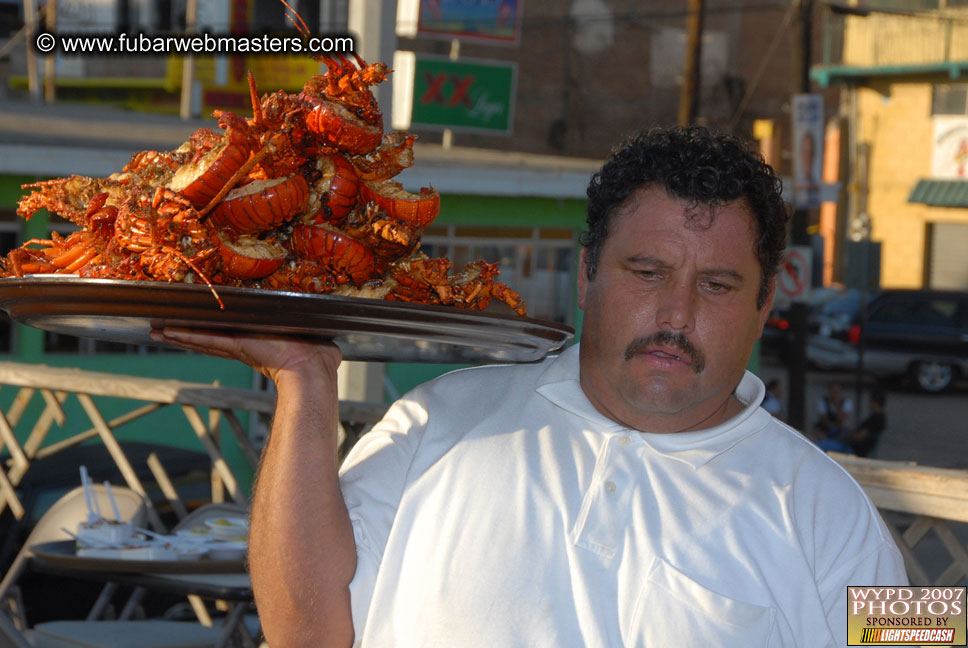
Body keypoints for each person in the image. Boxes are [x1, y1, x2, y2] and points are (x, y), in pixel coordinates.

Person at [152, 126, 907, 647]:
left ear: (765, 304)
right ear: (586, 276)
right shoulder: (435, 421)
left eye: (717, 285)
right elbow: (304, 632)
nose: (676, 314)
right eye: (646, 273)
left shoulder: (836, 511)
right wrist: (303, 383)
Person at [813, 381, 854, 452]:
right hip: (826, 430)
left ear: (842, 392)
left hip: (841, 432)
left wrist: (837, 405)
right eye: (833, 391)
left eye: (837, 392)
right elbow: (824, 420)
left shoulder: (847, 402)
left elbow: (842, 419)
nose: (835, 394)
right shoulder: (823, 402)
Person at [850, 389, 887, 458]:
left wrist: (847, 435)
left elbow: (859, 436)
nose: (868, 404)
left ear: (874, 402)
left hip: (856, 450)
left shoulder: (876, 419)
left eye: (870, 401)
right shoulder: (879, 416)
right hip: (860, 448)